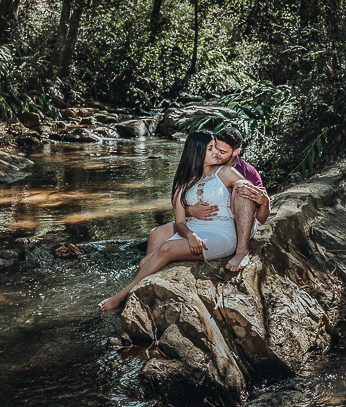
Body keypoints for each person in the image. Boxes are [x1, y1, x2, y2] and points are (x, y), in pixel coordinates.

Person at [99, 130, 247, 312]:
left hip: (221, 234)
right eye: (210, 149)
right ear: (197, 152)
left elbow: (250, 195)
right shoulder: (182, 183)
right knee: (143, 263)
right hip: (193, 230)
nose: (216, 152)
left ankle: (122, 296)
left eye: (215, 148)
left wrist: (263, 203)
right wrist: (190, 235)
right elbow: (180, 223)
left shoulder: (225, 172)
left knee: (167, 248)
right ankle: (137, 299)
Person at [143, 125, 270, 272]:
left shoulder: (246, 172)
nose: (216, 153)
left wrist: (265, 202)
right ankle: (147, 273)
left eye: (222, 152)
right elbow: (181, 211)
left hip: (235, 224)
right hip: (203, 224)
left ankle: (242, 251)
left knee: (242, 187)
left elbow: (260, 217)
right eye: (213, 147)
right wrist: (190, 210)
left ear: (235, 152)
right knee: (156, 234)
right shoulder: (196, 172)